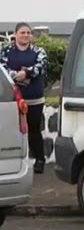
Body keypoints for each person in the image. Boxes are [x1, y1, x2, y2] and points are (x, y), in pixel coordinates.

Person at [1, 23, 49, 173]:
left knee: (34, 130)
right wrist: (16, 75)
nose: (26, 35)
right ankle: (16, 160)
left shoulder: (38, 51)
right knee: (14, 130)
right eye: (22, 32)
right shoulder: (5, 51)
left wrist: (26, 73)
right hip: (13, 100)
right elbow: (2, 68)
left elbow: (41, 66)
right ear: (15, 34)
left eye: (28, 33)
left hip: (34, 99)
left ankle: (40, 159)